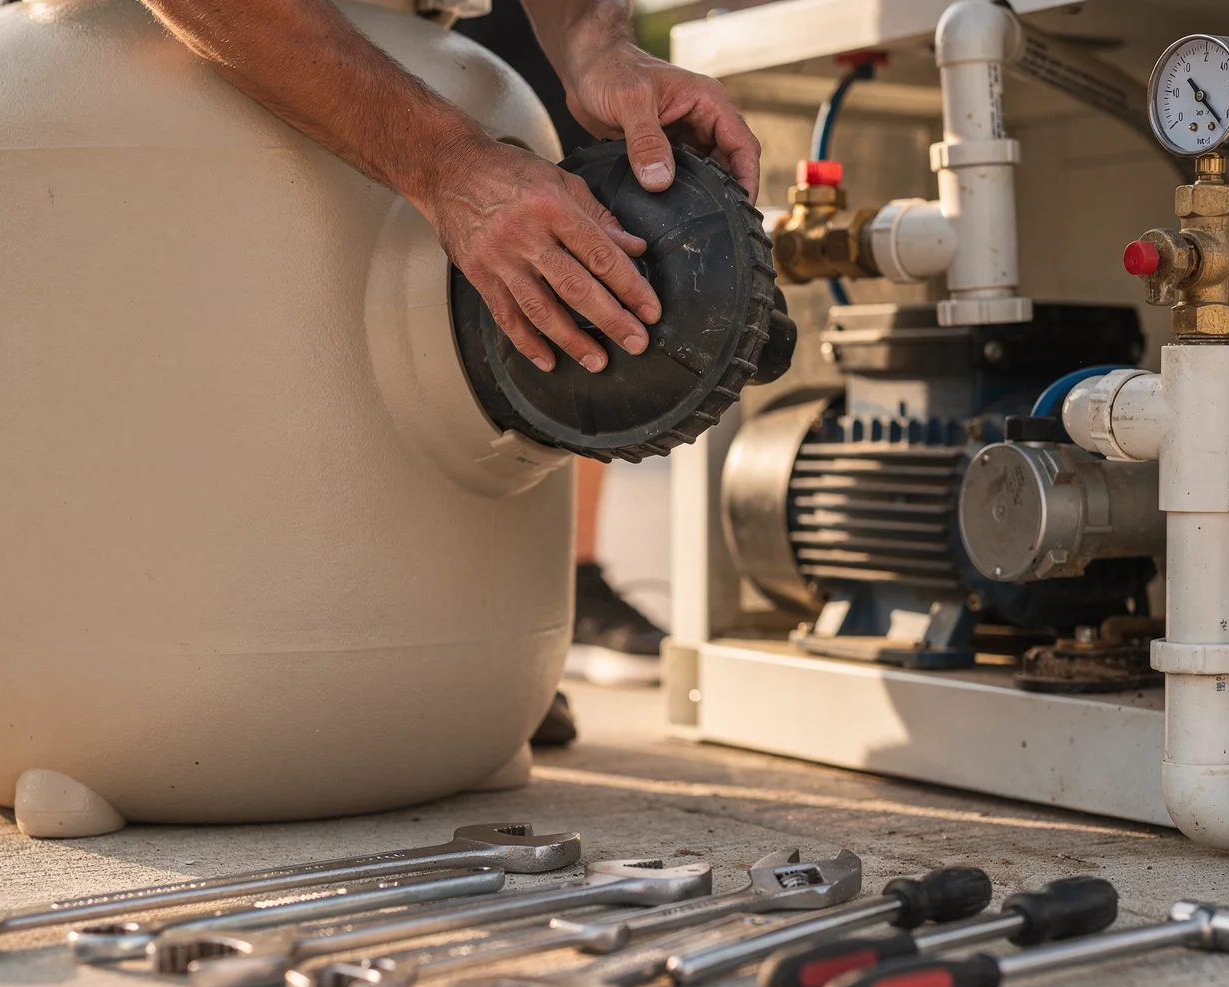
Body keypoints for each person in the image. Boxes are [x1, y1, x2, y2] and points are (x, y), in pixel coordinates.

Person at [133, 0, 763, 731]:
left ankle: (471, 644)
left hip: (437, 32)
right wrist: (448, 164)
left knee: (551, 279)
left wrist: (598, 43)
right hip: (169, 45)